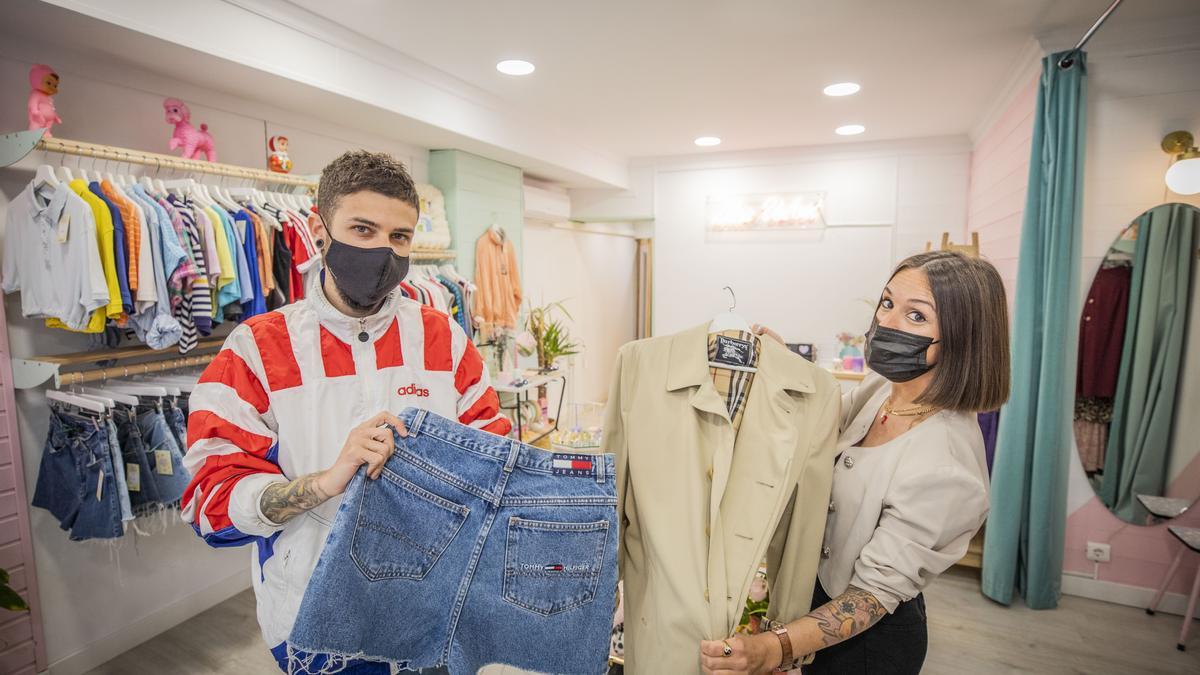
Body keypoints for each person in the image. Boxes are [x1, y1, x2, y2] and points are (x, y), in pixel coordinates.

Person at [181, 150, 511, 673]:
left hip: (433, 614)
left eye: (399, 237)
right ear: (318, 229)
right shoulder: (257, 350)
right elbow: (211, 498)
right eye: (362, 229)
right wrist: (327, 481)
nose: (383, 250)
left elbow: (493, 450)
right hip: (313, 622)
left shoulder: (442, 339)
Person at [699, 251, 1009, 674]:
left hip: (867, 645)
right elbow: (826, 423)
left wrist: (775, 648)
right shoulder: (884, 387)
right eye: (887, 303)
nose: (888, 322)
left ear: (962, 337)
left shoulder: (946, 464)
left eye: (916, 316)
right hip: (809, 602)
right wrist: (784, 365)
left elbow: (871, 597)